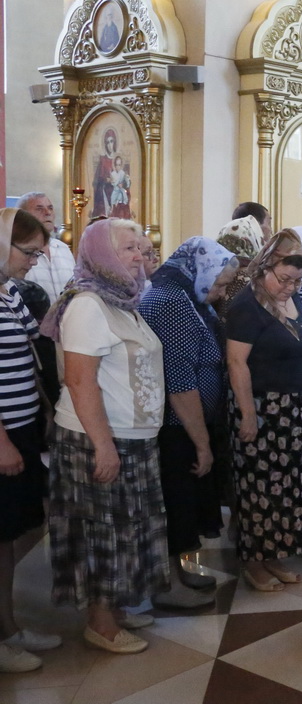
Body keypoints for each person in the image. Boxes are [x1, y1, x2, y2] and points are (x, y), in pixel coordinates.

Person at [42, 219, 168, 655]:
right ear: (104, 255)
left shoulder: (122, 302)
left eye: (141, 248)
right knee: (102, 530)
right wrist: (103, 444)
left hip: (133, 437)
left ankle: (114, 608)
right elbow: (79, 382)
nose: (139, 256)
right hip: (97, 438)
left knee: (128, 529)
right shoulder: (88, 305)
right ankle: (99, 622)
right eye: (129, 249)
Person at [138, 238, 239, 608]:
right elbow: (180, 382)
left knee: (183, 501)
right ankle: (167, 585)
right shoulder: (172, 303)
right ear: (202, 272)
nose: (222, 292)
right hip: (176, 427)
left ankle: (177, 572)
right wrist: (202, 443)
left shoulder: (184, 297)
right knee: (175, 501)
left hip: (186, 425)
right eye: (222, 284)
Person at [225, 245, 302, 592]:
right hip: (264, 410)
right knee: (260, 487)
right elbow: (237, 363)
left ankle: (275, 553)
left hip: (295, 410)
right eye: (284, 279)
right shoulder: (246, 307)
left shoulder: (291, 301)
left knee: (288, 487)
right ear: (264, 269)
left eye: (296, 281)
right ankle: (254, 561)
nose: (289, 288)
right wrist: (248, 414)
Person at [0, 209, 60, 673]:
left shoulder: (8, 293)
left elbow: (35, 346)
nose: (35, 262)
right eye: (28, 252)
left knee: (25, 525)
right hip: (3, 436)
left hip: (21, 429)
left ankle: (10, 626)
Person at [17, 193, 73, 302]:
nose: (48, 213)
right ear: (23, 215)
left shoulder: (63, 249)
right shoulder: (16, 252)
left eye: (50, 208)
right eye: (39, 209)